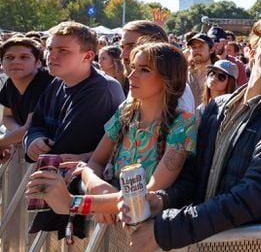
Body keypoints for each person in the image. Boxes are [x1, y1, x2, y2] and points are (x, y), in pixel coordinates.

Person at [124, 20, 261, 252]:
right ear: (251, 51)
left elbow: (252, 196)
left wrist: (165, 229)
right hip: (198, 242)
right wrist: (162, 200)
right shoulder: (216, 107)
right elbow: (192, 175)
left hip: (246, 250)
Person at [25, 43, 197, 226]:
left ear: (168, 78)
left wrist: (77, 202)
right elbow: (96, 162)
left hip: (150, 235)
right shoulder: (126, 111)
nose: (131, 76)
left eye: (144, 70)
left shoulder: (183, 123)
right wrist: (98, 192)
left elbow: (146, 196)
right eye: (133, 68)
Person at [23, 22, 125, 237]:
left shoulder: (100, 90)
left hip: (86, 202)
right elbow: (36, 123)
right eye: (50, 49)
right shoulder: (58, 82)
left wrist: (42, 149)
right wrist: (33, 140)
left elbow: (65, 151)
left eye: (63, 51)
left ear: (88, 57)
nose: (52, 56)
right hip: (64, 196)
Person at [121, 20, 195, 112]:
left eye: (131, 46)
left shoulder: (177, 97)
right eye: (122, 47)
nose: (123, 55)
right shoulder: (140, 87)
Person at [0, 36, 53, 160]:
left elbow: (30, 128)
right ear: (2, 63)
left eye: (24, 57)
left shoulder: (44, 83)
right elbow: (7, 116)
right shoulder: (10, 82)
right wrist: (16, 133)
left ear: (38, 63)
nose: (16, 61)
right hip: (27, 144)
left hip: (47, 150)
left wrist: (8, 139)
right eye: (9, 57)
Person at [187, 33, 218, 107]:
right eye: (194, 47)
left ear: (211, 49)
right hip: (189, 118)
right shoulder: (185, 74)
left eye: (201, 47)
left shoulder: (220, 75)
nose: (197, 50)